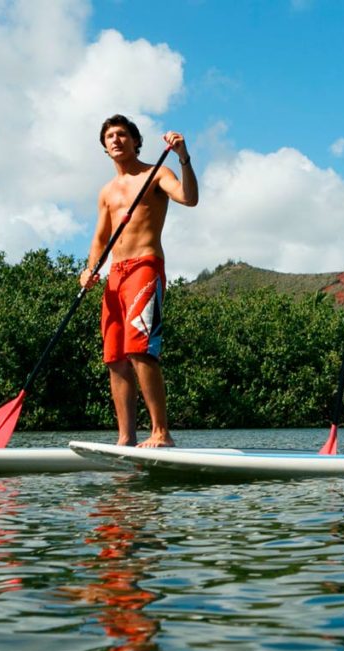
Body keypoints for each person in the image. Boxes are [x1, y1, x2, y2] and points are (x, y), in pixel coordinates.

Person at [81, 114, 198, 447]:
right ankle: (125, 438)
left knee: (140, 351)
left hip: (145, 267)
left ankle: (161, 432)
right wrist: (90, 270)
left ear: (135, 140)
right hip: (114, 276)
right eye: (109, 137)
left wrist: (184, 158)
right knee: (115, 357)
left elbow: (189, 199)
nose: (116, 140)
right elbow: (99, 238)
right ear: (104, 147)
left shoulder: (157, 173)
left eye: (122, 135)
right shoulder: (106, 192)